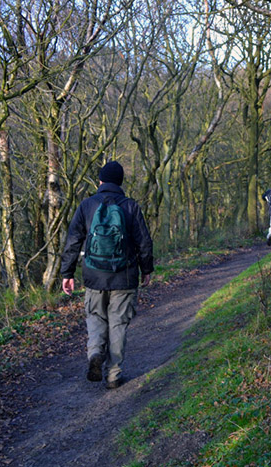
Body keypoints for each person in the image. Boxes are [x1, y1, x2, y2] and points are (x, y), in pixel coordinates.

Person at [60, 161, 153, 389]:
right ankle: (113, 374)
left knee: (95, 317)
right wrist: (147, 270)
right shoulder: (130, 206)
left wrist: (67, 272)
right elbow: (144, 242)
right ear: (120, 182)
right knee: (118, 324)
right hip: (124, 276)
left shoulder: (87, 205)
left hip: (94, 276)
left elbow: (73, 241)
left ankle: (94, 354)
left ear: (100, 181)